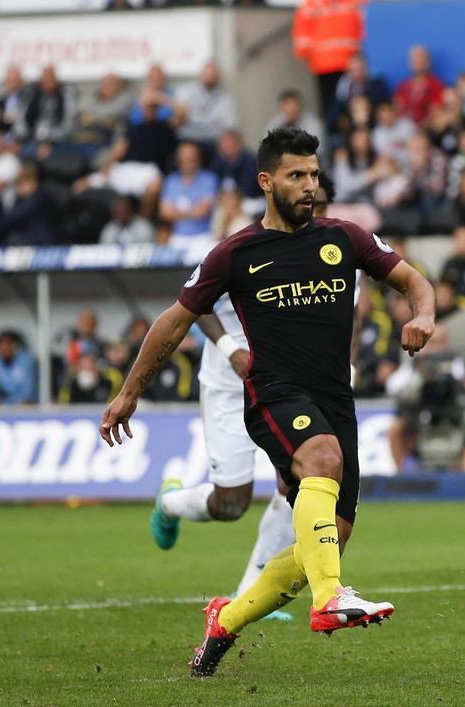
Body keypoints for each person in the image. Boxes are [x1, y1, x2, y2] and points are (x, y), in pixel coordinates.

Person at [98, 127, 436, 676]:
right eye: (296, 175)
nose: (310, 185)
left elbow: (413, 280)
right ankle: (331, 602)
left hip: (335, 399)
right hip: (272, 393)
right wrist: (129, 392)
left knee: (323, 543)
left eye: (314, 174)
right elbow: (175, 320)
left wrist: (423, 314)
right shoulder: (235, 253)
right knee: (320, 461)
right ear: (266, 181)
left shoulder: (346, 237)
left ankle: (225, 620)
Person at [145, 173, 338, 623]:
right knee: (231, 504)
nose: (317, 210)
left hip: (290, 384)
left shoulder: (335, 253)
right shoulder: (243, 246)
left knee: (296, 483)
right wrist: (231, 348)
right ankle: (170, 503)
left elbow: (345, 317)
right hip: (232, 382)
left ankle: (250, 589)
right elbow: (194, 304)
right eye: (311, 200)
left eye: (324, 203)